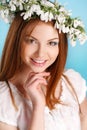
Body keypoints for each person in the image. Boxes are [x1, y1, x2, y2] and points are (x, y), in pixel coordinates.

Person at [0, 0, 87, 130]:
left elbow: (84, 120)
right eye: (32, 41)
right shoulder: (4, 98)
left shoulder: (71, 82)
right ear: (16, 41)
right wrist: (38, 106)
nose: (41, 54)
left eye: (52, 43)